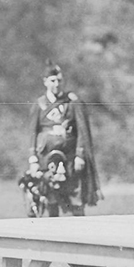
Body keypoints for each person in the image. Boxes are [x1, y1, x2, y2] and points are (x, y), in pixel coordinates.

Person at [27, 61, 102, 216]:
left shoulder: (72, 102)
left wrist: (80, 156)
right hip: (46, 159)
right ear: (45, 82)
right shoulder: (39, 104)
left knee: (76, 200)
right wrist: (33, 160)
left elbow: (82, 131)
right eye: (52, 81)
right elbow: (32, 133)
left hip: (69, 158)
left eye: (59, 81)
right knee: (50, 200)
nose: (56, 84)